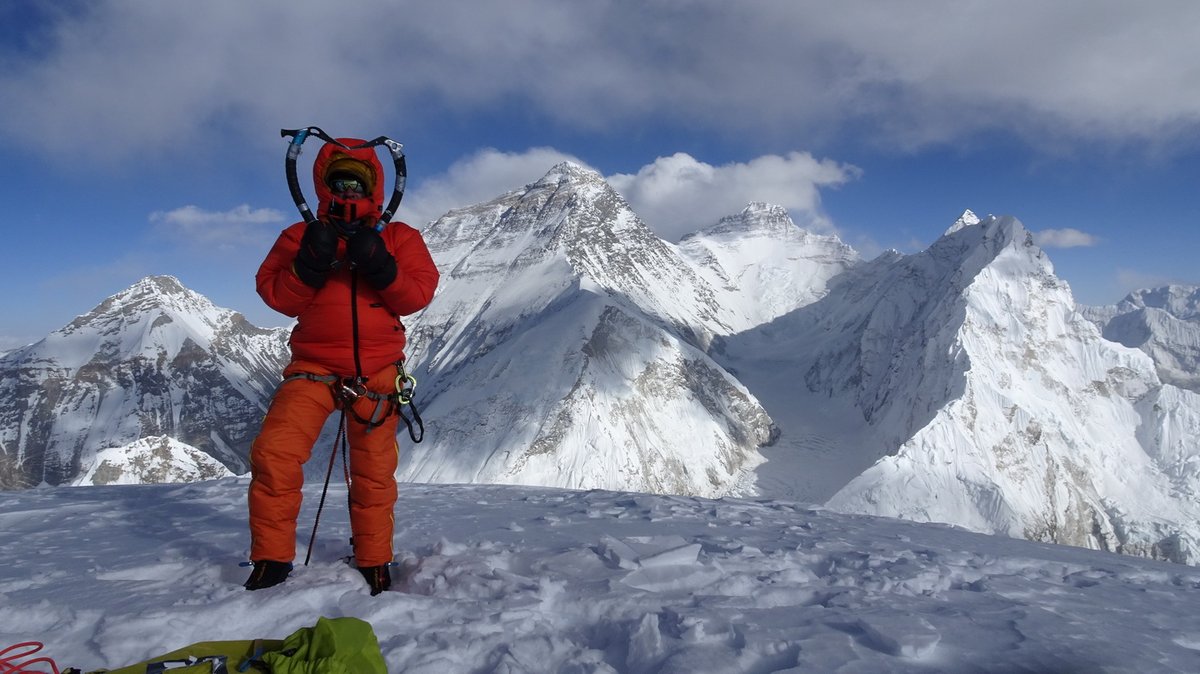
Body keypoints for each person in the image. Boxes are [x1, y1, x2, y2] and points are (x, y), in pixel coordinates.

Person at [244, 136, 439, 594]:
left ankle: (375, 560)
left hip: (376, 374)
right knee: (275, 456)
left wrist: (381, 265)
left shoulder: (399, 237)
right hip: (312, 368)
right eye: (340, 181)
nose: (349, 191)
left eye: (357, 182)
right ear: (325, 184)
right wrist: (308, 262)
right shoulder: (299, 237)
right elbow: (276, 296)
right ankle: (271, 559)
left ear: (373, 186)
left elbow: (416, 295)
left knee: (373, 474)